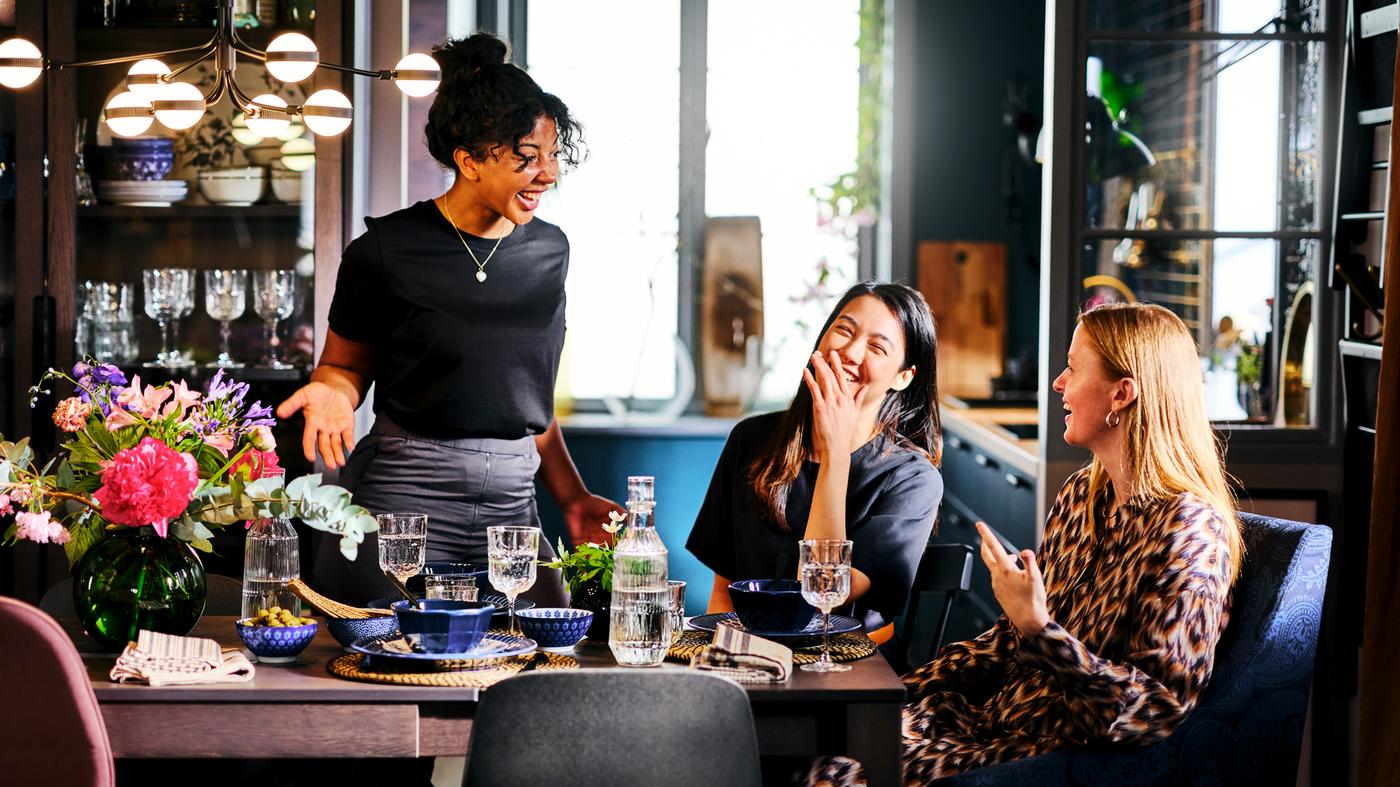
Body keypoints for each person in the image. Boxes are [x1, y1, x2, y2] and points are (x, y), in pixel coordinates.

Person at [805, 302, 1244, 785]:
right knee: (831, 747)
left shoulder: (1189, 531)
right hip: (987, 720)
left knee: (838, 776)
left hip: (1053, 752)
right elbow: (1007, 641)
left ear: (1122, 394)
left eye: (1073, 369)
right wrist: (891, 692)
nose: (1058, 383)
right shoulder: (1083, 494)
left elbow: (1154, 711)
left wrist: (1039, 629)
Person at [276, 33, 617, 608]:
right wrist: (331, 389)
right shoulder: (385, 249)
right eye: (526, 158)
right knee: (384, 662)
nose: (547, 174)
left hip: (512, 502)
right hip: (405, 499)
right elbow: (343, 366)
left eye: (552, 155)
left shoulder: (550, 253)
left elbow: (526, 397)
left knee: (530, 663)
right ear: (470, 160)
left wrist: (573, 497)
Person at [687, 282, 944, 637]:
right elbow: (723, 592)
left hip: (848, 668)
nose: (851, 352)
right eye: (844, 330)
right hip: (748, 657)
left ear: (903, 376)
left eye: (876, 347)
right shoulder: (751, 440)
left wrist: (835, 454)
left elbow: (824, 594)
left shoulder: (913, 479)